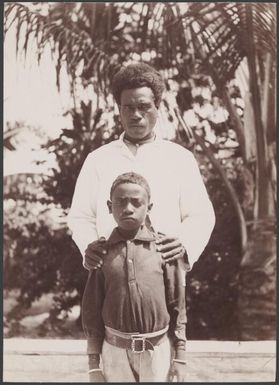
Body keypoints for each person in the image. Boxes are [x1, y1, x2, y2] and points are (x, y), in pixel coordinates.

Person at [68, 62, 215, 273]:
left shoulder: (179, 159)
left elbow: (201, 214)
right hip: (111, 276)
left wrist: (185, 244)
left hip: (165, 274)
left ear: (157, 108)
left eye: (144, 106)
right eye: (128, 107)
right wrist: (89, 246)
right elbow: (80, 216)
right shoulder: (98, 160)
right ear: (119, 110)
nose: (136, 114)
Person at [82, 172, 187, 382]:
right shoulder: (100, 253)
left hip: (158, 353)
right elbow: (91, 312)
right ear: (109, 207)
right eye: (120, 202)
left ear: (149, 207)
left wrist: (180, 358)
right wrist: (94, 367)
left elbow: (178, 307)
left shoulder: (164, 250)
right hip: (114, 353)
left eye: (136, 203)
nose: (128, 208)